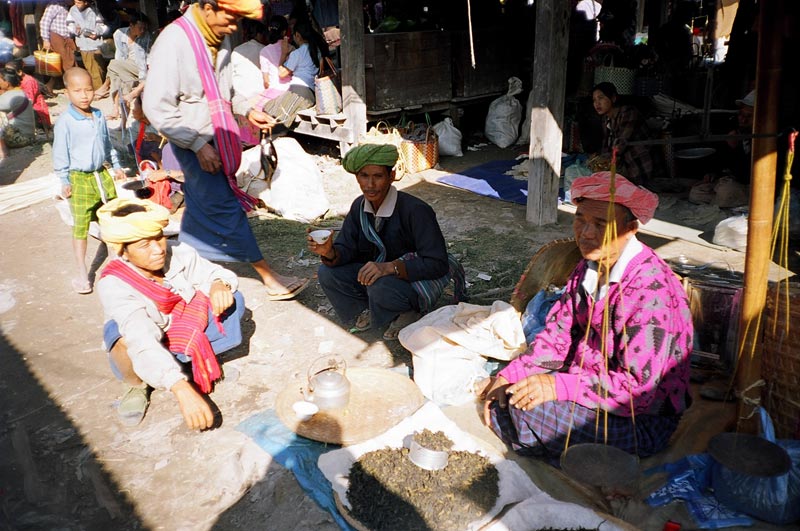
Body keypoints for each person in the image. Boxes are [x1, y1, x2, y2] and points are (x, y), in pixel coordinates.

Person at [481, 173, 693, 460]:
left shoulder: (650, 293)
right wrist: (512, 373)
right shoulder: (587, 268)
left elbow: (638, 391)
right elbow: (558, 335)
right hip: (588, 381)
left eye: (601, 224)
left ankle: (525, 431)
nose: (586, 232)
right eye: (580, 219)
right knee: (514, 392)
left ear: (630, 229)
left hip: (640, 418)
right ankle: (526, 429)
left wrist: (557, 386)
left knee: (527, 411)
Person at [143, 0, 309, 300]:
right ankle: (269, 278)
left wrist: (247, 110)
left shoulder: (215, 40)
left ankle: (185, 265)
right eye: (231, 17)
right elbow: (156, 107)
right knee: (225, 206)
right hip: (193, 142)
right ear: (208, 7)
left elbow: (226, 91)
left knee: (198, 205)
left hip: (217, 137)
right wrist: (197, 145)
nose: (234, 26)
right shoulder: (173, 42)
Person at [96, 197, 245, 429]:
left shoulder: (178, 252)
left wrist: (218, 285)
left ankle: (195, 363)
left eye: (158, 238)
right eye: (144, 245)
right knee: (121, 339)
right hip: (145, 336)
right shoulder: (114, 284)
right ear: (122, 252)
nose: (157, 249)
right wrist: (181, 389)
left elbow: (213, 272)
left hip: (178, 324)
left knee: (232, 298)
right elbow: (142, 338)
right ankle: (137, 386)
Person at [307, 144, 466, 341]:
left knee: (379, 285)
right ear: (357, 177)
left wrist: (390, 268)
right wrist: (329, 252)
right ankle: (366, 310)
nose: (370, 184)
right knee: (327, 272)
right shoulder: (359, 206)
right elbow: (347, 248)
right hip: (379, 280)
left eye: (378, 176)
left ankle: (408, 311)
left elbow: (437, 263)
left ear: (391, 177)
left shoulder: (416, 211)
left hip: (409, 284)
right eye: (364, 176)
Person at [53, 67, 124, 294]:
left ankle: (116, 262)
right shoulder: (65, 121)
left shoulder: (99, 115)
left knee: (111, 218)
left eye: (88, 89)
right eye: (77, 90)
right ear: (66, 93)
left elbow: (107, 144)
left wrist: (116, 165)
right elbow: (60, 153)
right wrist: (64, 179)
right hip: (79, 179)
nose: (84, 95)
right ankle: (83, 273)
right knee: (81, 226)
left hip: (101, 176)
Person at [591, 82, 663, 187]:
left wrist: (604, 161)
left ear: (613, 98)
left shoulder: (628, 112)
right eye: (594, 100)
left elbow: (620, 144)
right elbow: (606, 145)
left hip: (640, 164)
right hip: (625, 164)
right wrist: (597, 161)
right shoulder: (606, 119)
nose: (597, 103)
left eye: (601, 98)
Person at [94, 11, 151, 119]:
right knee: (116, 77)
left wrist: (142, 77)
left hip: (139, 67)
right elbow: (119, 55)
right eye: (140, 28)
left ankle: (105, 86)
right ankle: (115, 110)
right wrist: (120, 71)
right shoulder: (119, 34)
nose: (143, 31)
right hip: (124, 65)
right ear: (131, 25)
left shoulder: (146, 36)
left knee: (113, 64)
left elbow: (146, 59)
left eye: (144, 28)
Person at [262, 21, 319, 128]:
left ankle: (274, 141)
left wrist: (284, 53)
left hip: (299, 91)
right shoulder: (316, 50)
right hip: (310, 93)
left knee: (275, 117)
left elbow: (281, 73)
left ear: (297, 35)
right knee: (273, 109)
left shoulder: (297, 53)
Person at [67, 0, 108, 91]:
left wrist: (96, 32)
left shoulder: (93, 10)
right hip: (83, 43)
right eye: (75, 2)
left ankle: (102, 87)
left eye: (79, 3)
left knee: (99, 67)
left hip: (95, 43)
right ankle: (98, 89)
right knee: (90, 68)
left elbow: (101, 25)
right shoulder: (73, 10)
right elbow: (69, 24)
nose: (76, 4)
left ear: (86, 3)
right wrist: (75, 29)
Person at [40, 0, 77, 93]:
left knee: (64, 63)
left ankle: (50, 86)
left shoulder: (67, 7)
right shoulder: (54, 5)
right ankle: (72, 87)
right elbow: (44, 22)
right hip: (57, 37)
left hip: (66, 38)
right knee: (66, 63)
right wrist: (46, 40)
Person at [6, 59, 52, 132]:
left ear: (19, 72)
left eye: (10, 72)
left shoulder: (28, 81)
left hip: (37, 114)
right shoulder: (17, 80)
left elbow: (29, 101)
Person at [0, 69, 35, 160]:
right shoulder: (18, 92)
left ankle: (2, 149)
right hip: (27, 136)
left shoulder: (12, 96)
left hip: (20, 138)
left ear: (7, 83)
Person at [722, 89, 755, 184]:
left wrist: (734, 149)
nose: (743, 120)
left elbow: (745, 176)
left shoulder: (764, 142)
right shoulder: (736, 131)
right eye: (741, 114)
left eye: (749, 116)